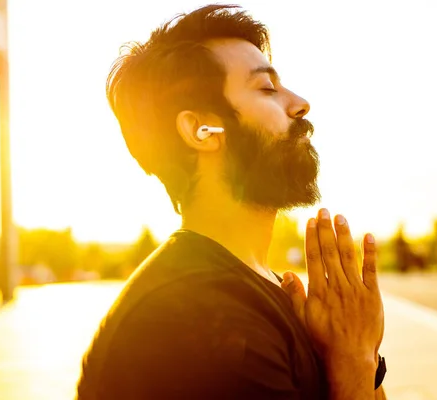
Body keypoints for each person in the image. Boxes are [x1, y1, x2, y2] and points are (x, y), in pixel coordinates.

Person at [77, 4, 387, 399]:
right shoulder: (195, 320)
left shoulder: (263, 291)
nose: (300, 103)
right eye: (266, 89)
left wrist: (357, 355)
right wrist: (356, 360)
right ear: (201, 130)